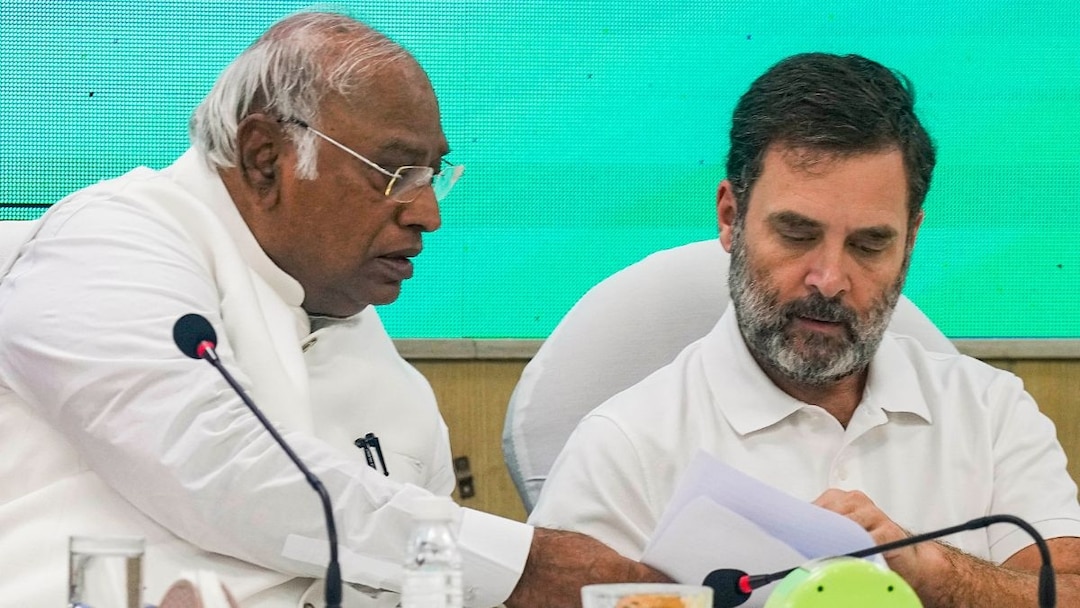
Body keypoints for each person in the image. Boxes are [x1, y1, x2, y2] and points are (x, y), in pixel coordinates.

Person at [0, 11, 664, 607]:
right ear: (265, 159)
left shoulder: (389, 375)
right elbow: (207, 462)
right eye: (396, 173)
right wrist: (519, 566)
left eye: (434, 176)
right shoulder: (111, 241)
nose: (427, 213)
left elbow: (430, 589)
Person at [528, 53, 1080, 606]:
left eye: (869, 244)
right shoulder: (625, 445)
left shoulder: (990, 412)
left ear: (910, 240)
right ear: (730, 217)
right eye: (797, 234)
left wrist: (930, 573)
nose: (829, 279)